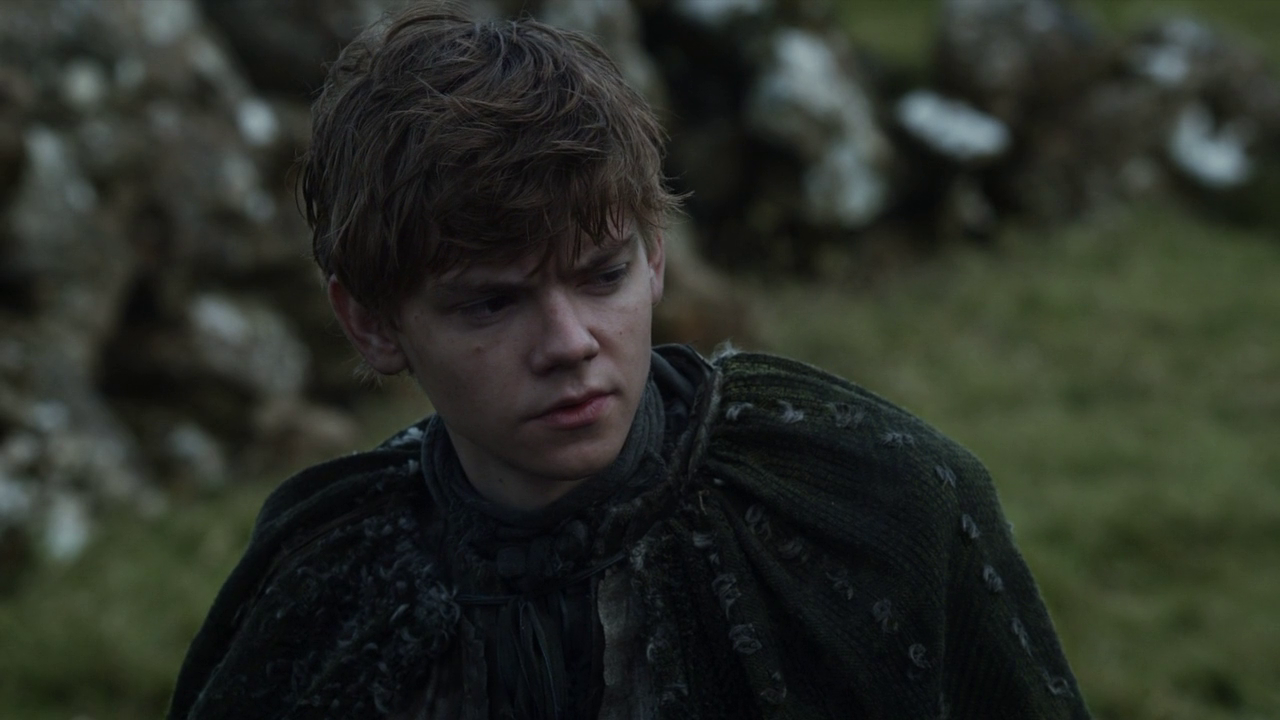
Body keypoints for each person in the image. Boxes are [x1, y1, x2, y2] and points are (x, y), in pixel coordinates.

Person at [167, 3, 1091, 718]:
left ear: (655, 256)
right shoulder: (318, 586)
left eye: (601, 275)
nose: (570, 343)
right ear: (372, 325)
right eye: (491, 302)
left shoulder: (876, 503)